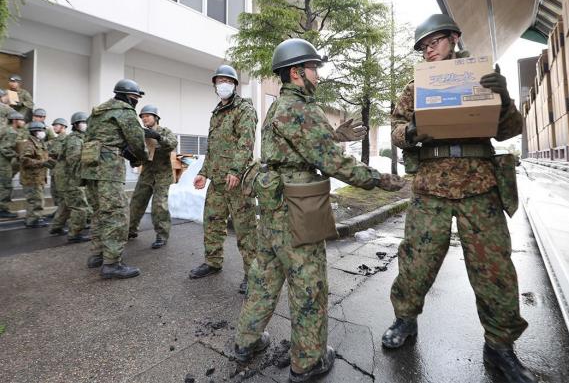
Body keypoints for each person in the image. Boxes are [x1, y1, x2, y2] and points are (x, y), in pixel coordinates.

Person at [233, 38, 405, 382]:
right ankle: (308, 360)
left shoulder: (278, 107)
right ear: (296, 73)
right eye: (313, 68)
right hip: (297, 207)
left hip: (271, 206)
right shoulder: (303, 108)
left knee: (265, 276)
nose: (318, 75)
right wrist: (379, 180)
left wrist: (333, 135)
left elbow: (302, 144)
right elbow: (329, 160)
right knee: (308, 283)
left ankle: (246, 341)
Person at [382, 14, 536, 383]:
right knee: (415, 261)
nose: (428, 49)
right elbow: (396, 130)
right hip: (430, 187)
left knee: (494, 269)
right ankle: (405, 320)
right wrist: (412, 130)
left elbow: (510, 129)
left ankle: (500, 346)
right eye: (422, 46)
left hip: (478, 186)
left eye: (434, 41)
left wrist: (503, 95)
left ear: (453, 38)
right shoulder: (414, 87)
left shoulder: (482, 75)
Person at [188, 65, 258, 295]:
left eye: (227, 81)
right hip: (218, 180)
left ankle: (253, 274)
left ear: (235, 84)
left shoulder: (244, 109)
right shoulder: (217, 112)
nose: (222, 85)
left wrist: (236, 171)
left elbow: (245, 143)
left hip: (237, 181)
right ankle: (213, 262)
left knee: (245, 229)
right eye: (219, 81)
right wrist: (203, 172)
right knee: (212, 222)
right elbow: (213, 148)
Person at [81, 79, 147, 279]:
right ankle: (112, 263)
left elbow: (91, 139)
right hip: (109, 170)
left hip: (90, 168)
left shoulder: (97, 112)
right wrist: (140, 158)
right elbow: (137, 141)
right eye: (135, 98)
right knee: (116, 215)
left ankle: (97, 255)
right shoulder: (125, 111)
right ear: (128, 96)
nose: (135, 102)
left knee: (99, 213)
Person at [128, 105, 178, 249]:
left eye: (147, 116)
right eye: (142, 117)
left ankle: (162, 236)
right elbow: (138, 156)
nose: (144, 119)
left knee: (159, 206)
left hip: (162, 175)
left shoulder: (164, 131)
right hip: (146, 174)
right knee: (136, 202)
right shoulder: (141, 135)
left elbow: (173, 144)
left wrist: (158, 137)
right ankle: (130, 230)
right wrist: (132, 158)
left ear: (156, 117)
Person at [50, 112, 92, 242]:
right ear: (75, 124)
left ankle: (56, 227)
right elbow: (74, 160)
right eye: (82, 122)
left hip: (65, 177)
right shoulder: (75, 139)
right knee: (80, 206)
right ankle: (74, 234)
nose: (85, 125)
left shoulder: (80, 138)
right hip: (70, 178)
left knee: (66, 204)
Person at [20, 121, 53, 228]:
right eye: (41, 130)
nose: (43, 132)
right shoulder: (29, 144)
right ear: (35, 131)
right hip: (32, 178)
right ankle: (33, 221)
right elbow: (24, 160)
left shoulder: (39, 143)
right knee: (35, 200)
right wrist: (41, 163)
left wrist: (49, 160)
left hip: (38, 177)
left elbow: (42, 157)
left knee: (36, 200)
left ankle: (33, 218)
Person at [0, 111, 25, 218]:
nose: (23, 122)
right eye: (21, 120)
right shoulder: (12, 132)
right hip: (3, 163)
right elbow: (5, 149)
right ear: (15, 121)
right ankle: (2, 209)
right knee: (6, 185)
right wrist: (17, 154)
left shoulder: (5, 128)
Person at [47, 118, 68, 222]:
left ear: (63, 127)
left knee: (61, 194)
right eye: (54, 125)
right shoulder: (55, 140)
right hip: (54, 170)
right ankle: (59, 211)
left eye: (56, 125)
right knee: (55, 193)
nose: (54, 127)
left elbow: (58, 153)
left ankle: (62, 214)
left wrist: (52, 155)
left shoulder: (66, 139)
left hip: (62, 172)